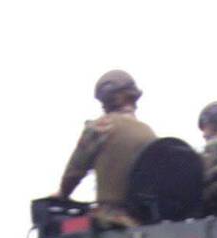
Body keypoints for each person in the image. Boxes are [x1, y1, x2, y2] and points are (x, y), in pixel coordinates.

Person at [57, 70, 155, 229]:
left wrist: (62, 194)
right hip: (147, 226)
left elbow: (74, 173)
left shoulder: (101, 127)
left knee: (65, 231)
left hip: (109, 225)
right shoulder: (149, 133)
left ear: (107, 98)